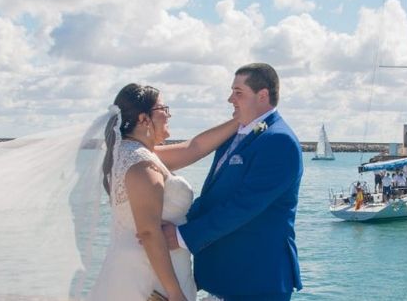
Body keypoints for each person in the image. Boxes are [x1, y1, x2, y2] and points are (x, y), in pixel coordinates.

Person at [163, 63, 303, 301]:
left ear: (263, 95)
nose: (230, 99)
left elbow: (243, 206)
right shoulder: (236, 135)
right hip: (226, 277)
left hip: (258, 278)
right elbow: (214, 198)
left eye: (238, 93)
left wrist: (182, 236)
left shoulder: (280, 141)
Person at [92, 83, 239, 301]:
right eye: (163, 109)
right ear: (144, 119)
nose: (169, 115)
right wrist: (174, 292)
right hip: (149, 278)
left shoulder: (131, 153)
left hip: (133, 267)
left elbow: (194, 148)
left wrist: (240, 120)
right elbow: (149, 233)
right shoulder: (141, 164)